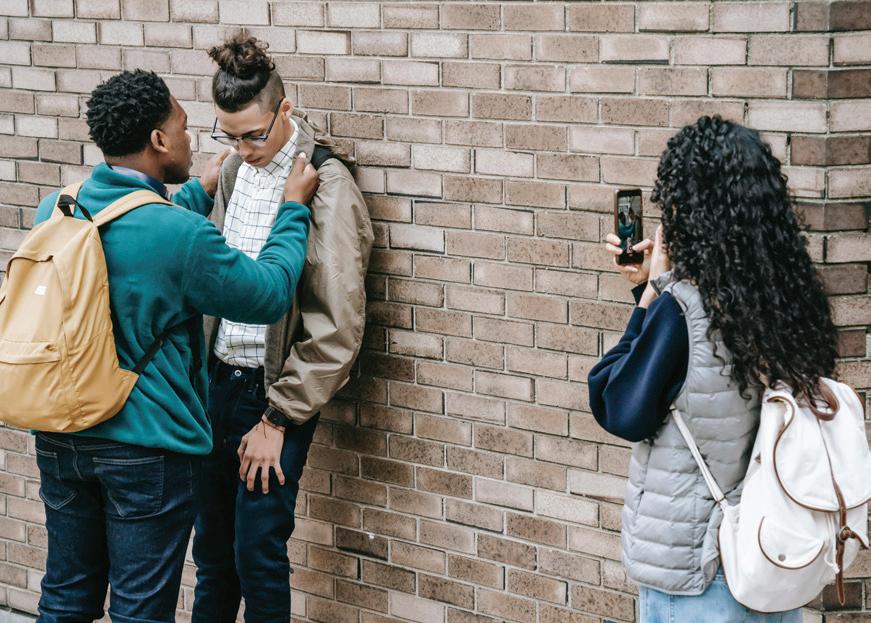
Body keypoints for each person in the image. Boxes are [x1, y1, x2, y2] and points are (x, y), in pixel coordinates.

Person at [31, 69, 319, 623]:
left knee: (66, 596)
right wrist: (292, 209)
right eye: (185, 128)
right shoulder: (180, 236)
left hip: (61, 438)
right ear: (160, 140)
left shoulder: (60, 208)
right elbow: (268, 294)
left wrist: (195, 193)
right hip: (144, 450)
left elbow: (131, 233)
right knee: (140, 610)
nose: (193, 140)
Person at [588, 115, 834, 622]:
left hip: (698, 577)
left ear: (691, 210)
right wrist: (654, 292)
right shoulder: (786, 302)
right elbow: (694, 378)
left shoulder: (680, 310)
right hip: (766, 560)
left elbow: (617, 404)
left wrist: (651, 296)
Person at [191, 33, 373, 623]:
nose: (242, 149)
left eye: (253, 134)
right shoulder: (234, 172)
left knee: (257, 553)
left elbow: (337, 326)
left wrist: (277, 418)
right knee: (212, 554)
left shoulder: (325, 184)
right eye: (229, 135)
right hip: (215, 383)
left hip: (272, 393)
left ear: (285, 110)